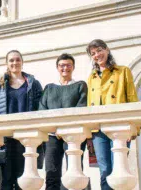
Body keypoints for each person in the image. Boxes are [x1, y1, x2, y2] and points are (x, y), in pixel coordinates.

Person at [86, 39, 138, 190]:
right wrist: (90, 130)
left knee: (119, 169)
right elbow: (90, 105)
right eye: (93, 53)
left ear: (107, 50)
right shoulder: (92, 77)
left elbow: (132, 99)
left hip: (120, 127)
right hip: (99, 130)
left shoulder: (123, 71)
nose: (97, 55)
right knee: (104, 170)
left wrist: (133, 128)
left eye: (99, 50)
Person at [0, 50, 43, 190]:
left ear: (22, 62)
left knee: (24, 177)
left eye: (17, 60)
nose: (15, 63)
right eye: (11, 60)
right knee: (6, 178)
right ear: (6, 63)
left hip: (26, 137)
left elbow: (40, 109)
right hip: (6, 138)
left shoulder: (33, 83)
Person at [39, 53, 88, 190]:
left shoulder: (80, 86)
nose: (65, 68)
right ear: (57, 67)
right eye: (62, 65)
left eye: (68, 65)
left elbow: (81, 109)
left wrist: (64, 129)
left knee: (75, 171)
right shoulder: (49, 88)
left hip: (73, 135)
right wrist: (55, 129)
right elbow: (42, 110)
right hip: (52, 136)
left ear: (73, 67)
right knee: (51, 172)